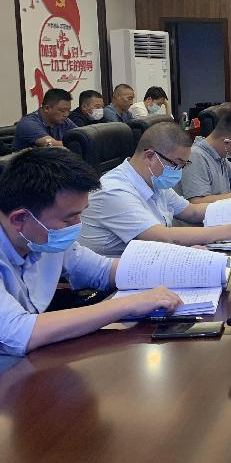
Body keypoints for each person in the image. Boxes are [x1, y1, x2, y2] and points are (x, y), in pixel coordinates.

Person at [0, 148, 182, 356]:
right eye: (69, 218)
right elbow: (20, 332)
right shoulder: (44, 234)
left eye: (80, 214)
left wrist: (177, 264)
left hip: (34, 355)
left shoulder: (42, 235)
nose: (77, 225)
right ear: (19, 219)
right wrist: (129, 304)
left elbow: (102, 270)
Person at [79, 122, 231, 256]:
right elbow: (162, 236)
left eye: (183, 165)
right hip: (109, 285)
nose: (179, 171)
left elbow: (192, 212)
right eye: (176, 164)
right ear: (150, 156)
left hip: (147, 262)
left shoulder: (154, 181)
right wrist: (230, 231)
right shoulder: (114, 190)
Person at [12, 89, 77, 150]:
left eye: (68, 110)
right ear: (47, 108)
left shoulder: (63, 120)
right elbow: (51, 145)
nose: (66, 114)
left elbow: (79, 134)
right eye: (63, 111)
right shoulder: (28, 123)